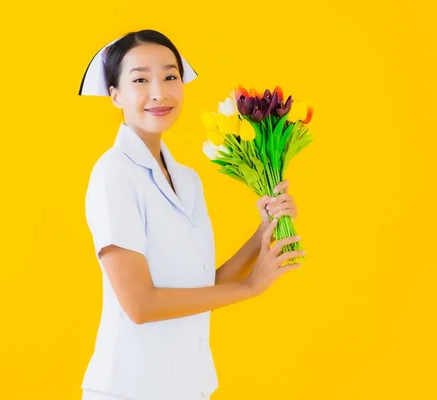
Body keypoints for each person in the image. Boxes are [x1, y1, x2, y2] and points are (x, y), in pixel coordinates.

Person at [78, 29, 304, 400]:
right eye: (140, 80)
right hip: (131, 387)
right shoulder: (113, 173)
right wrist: (250, 287)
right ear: (115, 94)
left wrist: (263, 231)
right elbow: (140, 304)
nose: (159, 91)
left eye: (170, 76)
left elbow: (201, 285)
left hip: (189, 385)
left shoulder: (187, 179)